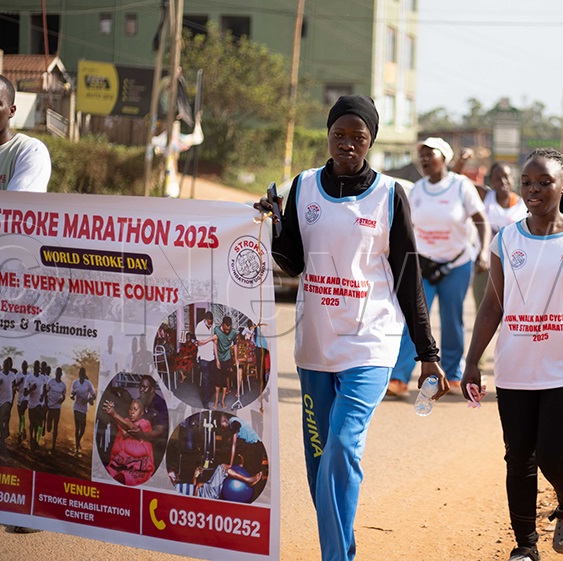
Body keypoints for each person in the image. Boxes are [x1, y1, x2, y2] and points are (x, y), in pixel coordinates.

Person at [255, 95, 445, 561]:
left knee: (342, 445)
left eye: (357, 137)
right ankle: (340, 549)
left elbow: (407, 275)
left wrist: (428, 354)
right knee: (319, 463)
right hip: (315, 346)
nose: (347, 144)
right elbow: (292, 263)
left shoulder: (389, 194)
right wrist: (274, 226)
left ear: (371, 141)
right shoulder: (303, 187)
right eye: (339, 134)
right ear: (327, 135)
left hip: (371, 343)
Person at [461, 148, 563, 561]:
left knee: (553, 454)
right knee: (519, 459)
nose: (533, 190)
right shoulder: (507, 238)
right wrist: (472, 360)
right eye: (527, 182)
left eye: (543, 182)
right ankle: (525, 547)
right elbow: (492, 305)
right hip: (515, 368)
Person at [388, 136, 488, 397]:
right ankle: (399, 378)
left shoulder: (461, 186)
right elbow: (407, 226)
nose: (424, 159)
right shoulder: (418, 189)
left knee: (452, 319)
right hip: (423, 266)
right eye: (421, 155)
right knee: (415, 319)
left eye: (429, 154)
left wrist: (484, 251)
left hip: (456, 263)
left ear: (443, 158)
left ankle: (453, 375)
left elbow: (480, 220)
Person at [471, 162, 528, 309]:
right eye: (498, 178)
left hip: (513, 266)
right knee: (483, 308)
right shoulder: (485, 196)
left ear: (513, 179)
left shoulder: (524, 204)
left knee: (510, 309)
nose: (503, 181)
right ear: (491, 180)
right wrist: (462, 162)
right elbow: (458, 182)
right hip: (485, 264)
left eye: (506, 177)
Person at [102, 399, 155, 485]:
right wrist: (110, 410)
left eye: (135, 409)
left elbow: (132, 428)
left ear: (141, 413)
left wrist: (114, 414)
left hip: (138, 470)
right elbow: (123, 427)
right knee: (104, 476)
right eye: (130, 409)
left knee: (120, 479)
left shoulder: (145, 424)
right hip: (119, 466)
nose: (132, 412)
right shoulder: (126, 421)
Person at [152, 112, 203, 198]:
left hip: (169, 165)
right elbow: (198, 138)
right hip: (168, 166)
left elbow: (198, 138)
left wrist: (197, 119)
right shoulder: (169, 140)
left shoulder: (174, 141)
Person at [201, 316, 240, 410]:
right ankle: (215, 402)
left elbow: (235, 345)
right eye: (226, 329)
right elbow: (215, 344)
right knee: (217, 382)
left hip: (227, 359)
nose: (228, 331)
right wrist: (217, 360)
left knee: (224, 382)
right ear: (223, 325)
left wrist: (236, 358)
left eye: (229, 329)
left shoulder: (234, 332)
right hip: (218, 359)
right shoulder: (217, 330)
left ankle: (222, 402)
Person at [0, 357, 17, 449]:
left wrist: (14, 388)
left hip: (8, 399)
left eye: (8, 364)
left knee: (6, 414)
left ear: (10, 365)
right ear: (3, 365)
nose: (6, 365)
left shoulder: (12, 375)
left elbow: (14, 384)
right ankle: (2, 438)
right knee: (0, 420)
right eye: (5, 364)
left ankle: (6, 430)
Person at [70, 367, 96, 457]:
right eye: (80, 373)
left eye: (82, 374)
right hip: (76, 407)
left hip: (84, 408)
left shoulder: (88, 384)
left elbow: (94, 396)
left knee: (83, 427)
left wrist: (88, 400)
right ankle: (76, 447)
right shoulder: (75, 383)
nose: (81, 375)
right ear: (78, 374)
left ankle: (78, 441)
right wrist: (72, 396)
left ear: (84, 375)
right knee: (77, 427)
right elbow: (71, 394)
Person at [195, 311, 216, 408]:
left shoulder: (213, 325)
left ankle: (209, 395)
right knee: (205, 379)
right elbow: (199, 343)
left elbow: (215, 339)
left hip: (212, 356)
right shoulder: (199, 327)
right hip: (203, 356)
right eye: (209, 322)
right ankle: (205, 400)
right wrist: (210, 339)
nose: (210, 324)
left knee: (212, 377)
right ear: (205, 320)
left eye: (211, 322)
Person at [45, 367, 67, 452]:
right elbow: (46, 392)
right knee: (49, 427)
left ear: (61, 374)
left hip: (57, 408)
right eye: (57, 373)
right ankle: (47, 427)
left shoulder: (63, 385)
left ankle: (53, 446)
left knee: (55, 427)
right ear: (55, 373)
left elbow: (64, 396)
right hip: (50, 407)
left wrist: (61, 400)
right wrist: (46, 403)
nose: (58, 374)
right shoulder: (50, 382)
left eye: (60, 373)